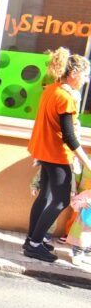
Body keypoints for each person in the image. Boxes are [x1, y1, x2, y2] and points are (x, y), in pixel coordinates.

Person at [24, 48, 91, 262]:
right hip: (56, 154)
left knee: (45, 196)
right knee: (61, 201)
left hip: (43, 150)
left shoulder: (51, 90)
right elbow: (70, 138)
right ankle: (34, 244)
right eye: (85, 74)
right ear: (74, 74)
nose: (86, 79)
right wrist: (88, 162)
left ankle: (31, 240)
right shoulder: (66, 98)